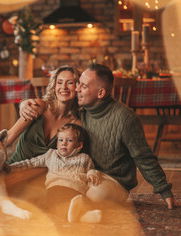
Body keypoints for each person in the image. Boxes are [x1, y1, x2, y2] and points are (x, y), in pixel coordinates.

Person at [19, 63, 179, 209]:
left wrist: (165, 191)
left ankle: (79, 211)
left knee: (93, 195)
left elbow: (144, 157)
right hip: (84, 173)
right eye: (78, 83)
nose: (77, 89)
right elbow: (54, 107)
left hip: (113, 180)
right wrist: (25, 103)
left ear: (101, 92)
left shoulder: (125, 118)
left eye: (84, 86)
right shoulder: (80, 113)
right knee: (55, 188)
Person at [10, 123, 102, 223]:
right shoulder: (51, 155)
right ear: (57, 143)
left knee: (85, 201)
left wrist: (92, 174)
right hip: (57, 188)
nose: (64, 143)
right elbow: (31, 163)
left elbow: (91, 169)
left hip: (77, 190)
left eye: (69, 140)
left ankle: (86, 215)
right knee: (57, 203)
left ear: (79, 145)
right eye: (61, 140)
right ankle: (72, 214)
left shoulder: (84, 158)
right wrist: (11, 168)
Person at [6, 65, 81, 164]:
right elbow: (9, 136)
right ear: (54, 86)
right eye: (59, 82)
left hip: (44, 176)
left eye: (70, 83)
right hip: (15, 167)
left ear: (78, 87)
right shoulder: (39, 106)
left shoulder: (76, 124)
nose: (63, 87)